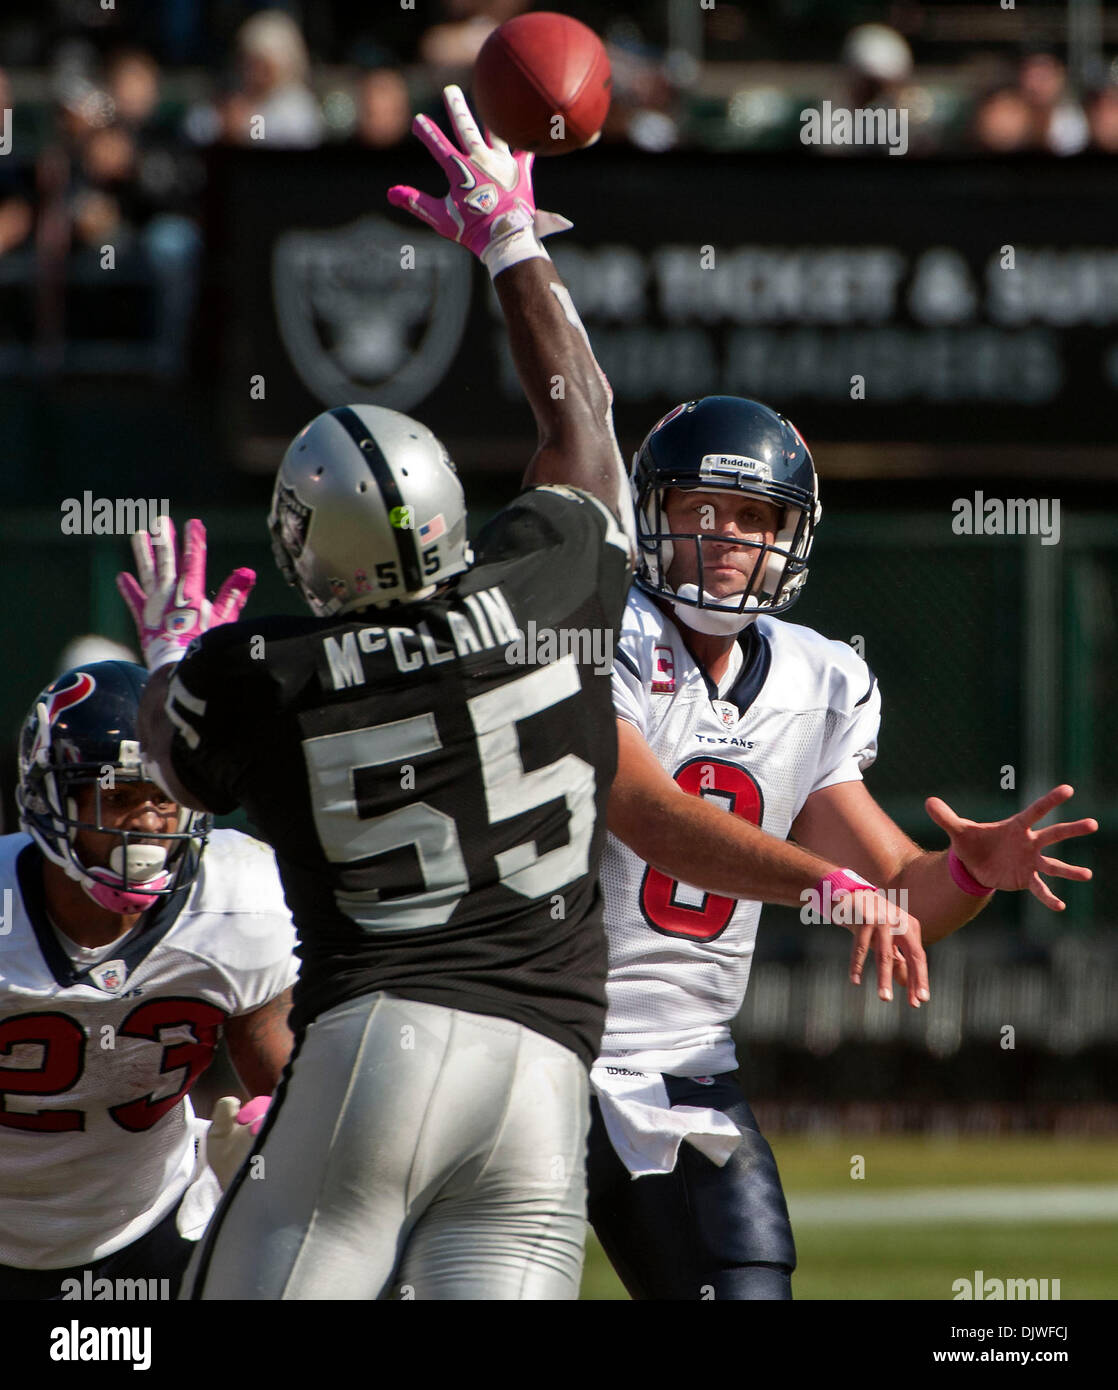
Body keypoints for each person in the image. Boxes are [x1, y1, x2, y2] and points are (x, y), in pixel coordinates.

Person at [118, 86, 633, 1300]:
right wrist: (512, 245)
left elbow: (164, 759)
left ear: (305, 544)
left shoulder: (263, 670)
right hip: (546, 1078)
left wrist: (171, 654)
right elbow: (587, 435)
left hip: (374, 1055)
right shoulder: (551, 580)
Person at [590, 394, 1098, 1300]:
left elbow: (899, 894)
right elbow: (646, 811)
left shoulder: (817, 677)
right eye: (702, 509)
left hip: (684, 1065)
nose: (729, 536)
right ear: (650, 513)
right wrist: (826, 882)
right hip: (536, 1043)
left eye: (755, 516)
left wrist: (969, 871)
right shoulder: (601, 634)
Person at [0, 661, 298, 1300]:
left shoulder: (236, 903)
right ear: (51, 800)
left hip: (149, 1229)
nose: (146, 825)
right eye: (119, 797)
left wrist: (280, 1145)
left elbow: (289, 1088)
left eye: (163, 798)